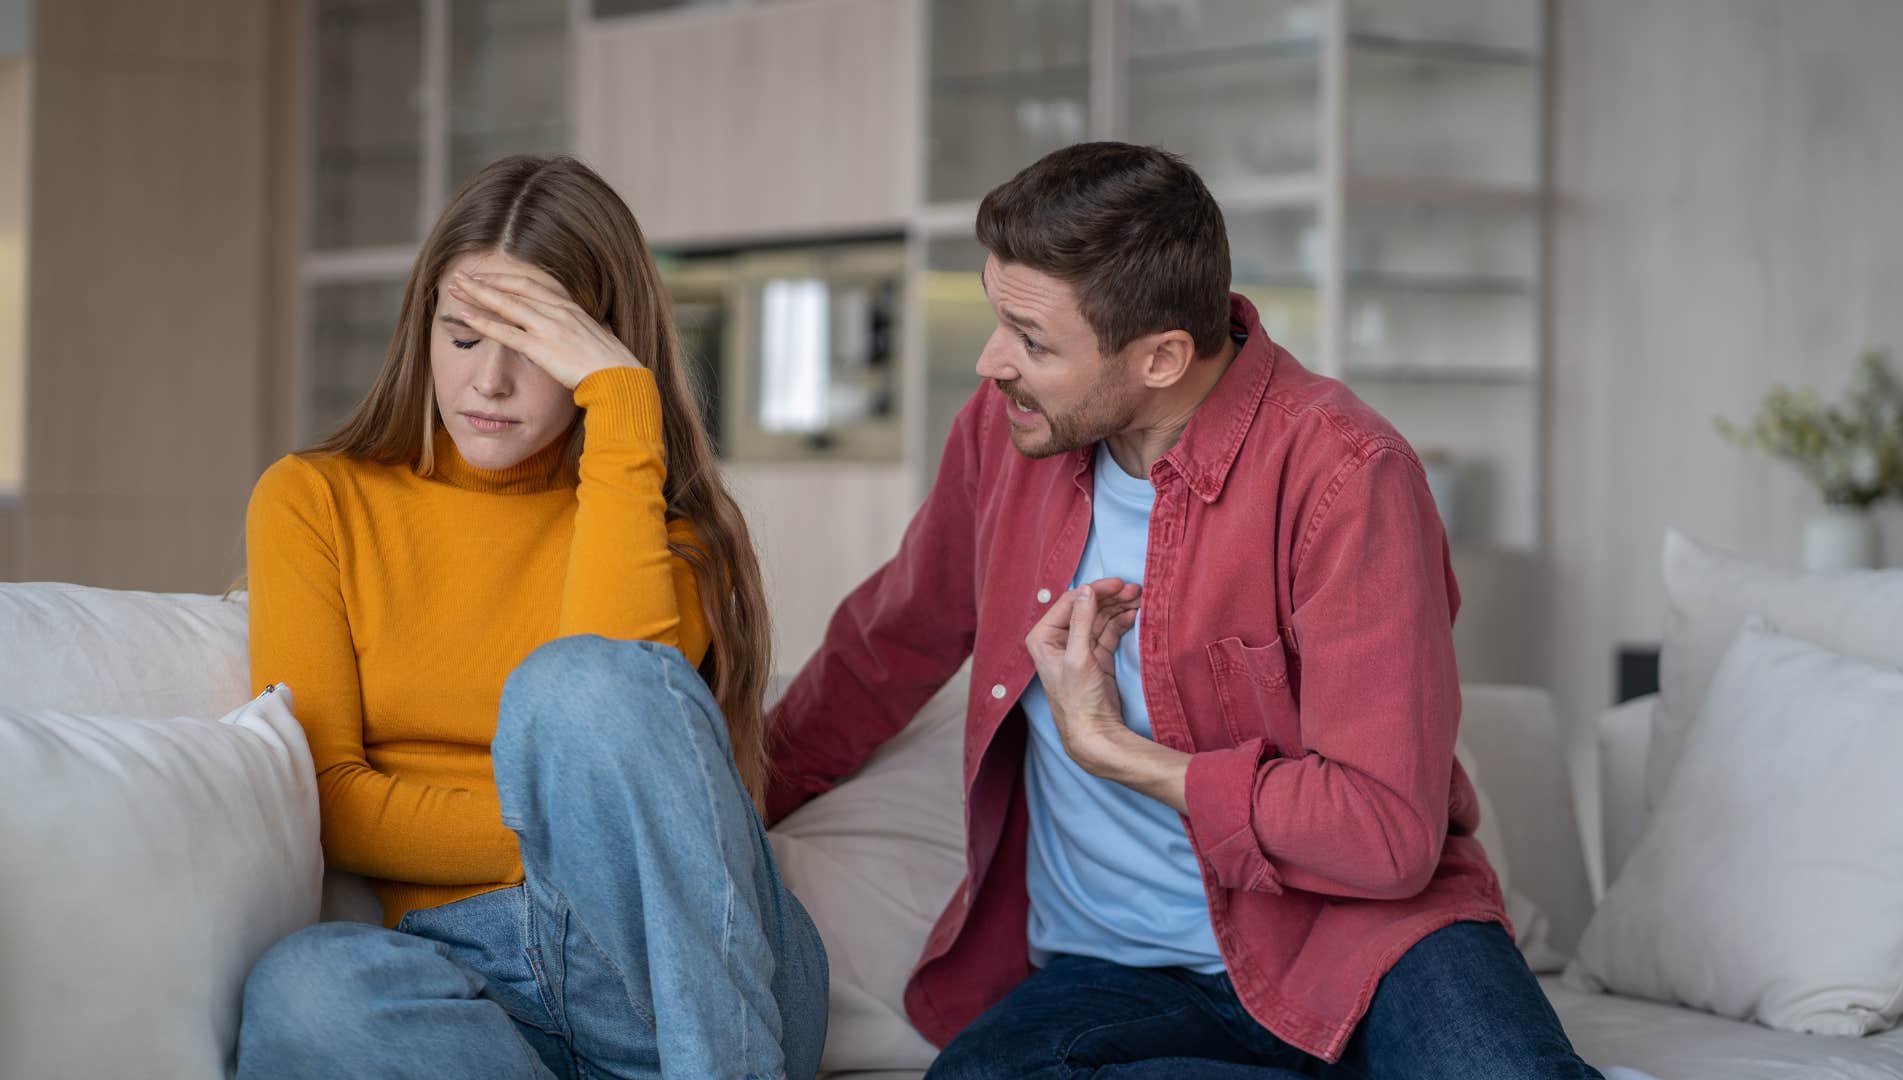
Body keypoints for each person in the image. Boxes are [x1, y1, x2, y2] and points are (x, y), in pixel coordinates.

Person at [765, 142, 1602, 1078]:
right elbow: (887, 646)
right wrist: (722, 801)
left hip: (1364, 943)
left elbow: (1384, 835)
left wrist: (1121, 753)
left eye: (1032, 340)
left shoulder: (1348, 477)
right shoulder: (1003, 438)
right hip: (1119, 973)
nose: (991, 360)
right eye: (999, 319)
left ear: (1163, 355)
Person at [235, 154, 827, 1079]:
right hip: (469, 968)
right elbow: (332, 799)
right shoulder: (315, 500)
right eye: (465, 336)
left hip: (680, 978)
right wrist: (576, 831)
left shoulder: (668, 535)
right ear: (421, 329)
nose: (492, 382)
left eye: (541, 348)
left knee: (578, 681)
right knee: (305, 990)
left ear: (602, 354)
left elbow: (614, 704)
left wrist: (624, 405)